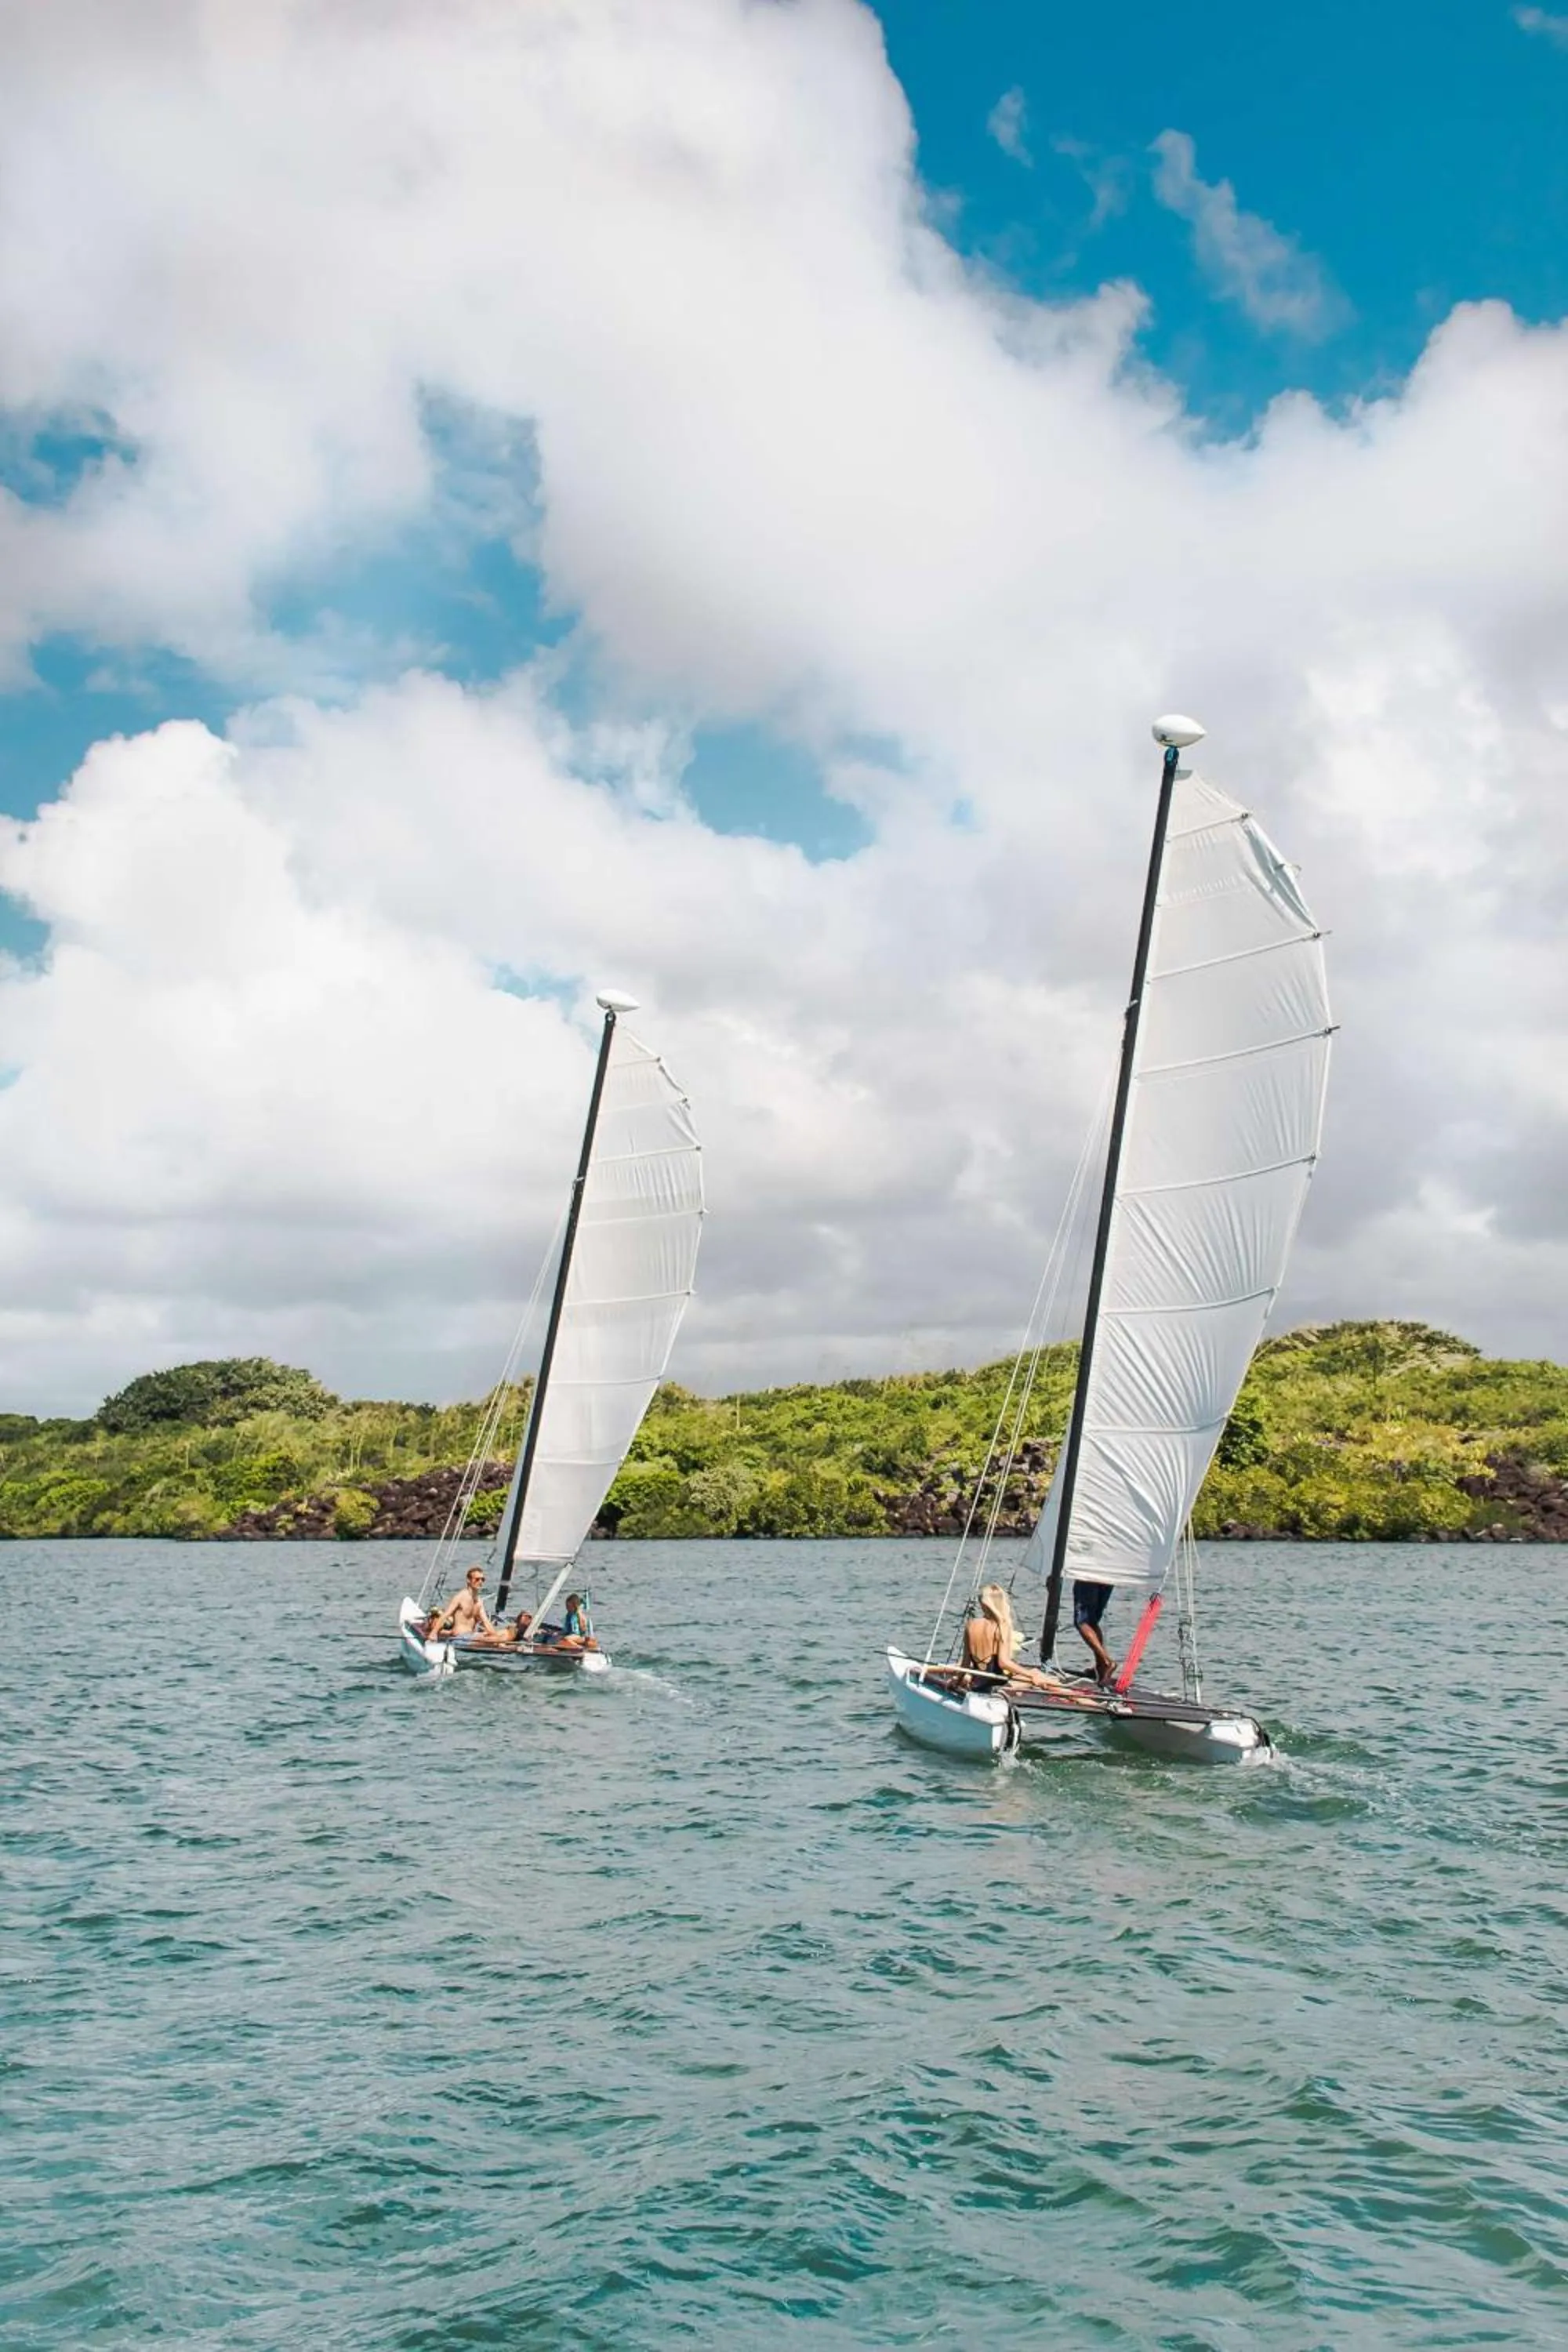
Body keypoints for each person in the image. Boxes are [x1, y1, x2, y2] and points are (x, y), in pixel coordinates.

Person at [960, 1584, 1053, 1690]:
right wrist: (1031, 1675)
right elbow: (1003, 1662)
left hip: (978, 1685)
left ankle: (1068, 1693)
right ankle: (1072, 1696)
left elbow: (965, 1664)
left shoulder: (970, 1625)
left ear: (983, 1603)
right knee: (1037, 1675)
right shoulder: (1002, 1627)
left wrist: (956, 1682)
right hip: (997, 1686)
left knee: (1032, 1675)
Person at [421, 1565, 495, 1642]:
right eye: (477, 1579)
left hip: (472, 1635)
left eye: (482, 1579)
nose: (480, 1582)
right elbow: (445, 1615)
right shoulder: (460, 1597)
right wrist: (434, 1633)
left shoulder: (479, 1602)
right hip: (460, 1637)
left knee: (504, 1634)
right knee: (501, 1636)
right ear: (468, 1580)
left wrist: (495, 1636)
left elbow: (486, 1622)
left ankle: (497, 1640)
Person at [1072, 1579, 1118, 1686]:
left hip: (1088, 1574)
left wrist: (1055, 1576)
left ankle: (1107, 1662)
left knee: (1082, 1622)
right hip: (1107, 1575)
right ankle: (1100, 1666)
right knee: (1092, 1623)